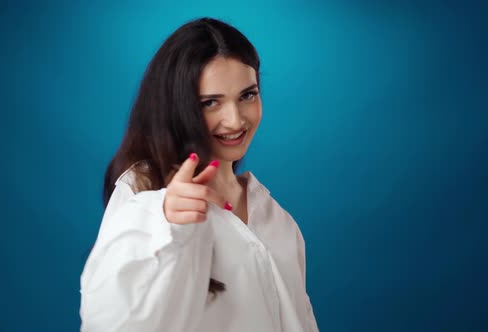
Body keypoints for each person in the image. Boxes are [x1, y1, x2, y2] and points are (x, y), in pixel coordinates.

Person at [80, 17, 319, 332]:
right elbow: (110, 321)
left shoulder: (278, 220)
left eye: (247, 95)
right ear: (179, 108)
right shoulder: (146, 200)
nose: (234, 120)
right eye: (209, 103)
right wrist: (167, 224)